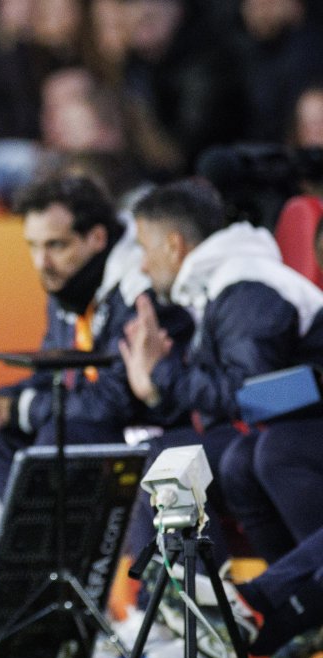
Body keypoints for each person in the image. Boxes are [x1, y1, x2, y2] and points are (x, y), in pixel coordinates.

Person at [0, 175, 191, 498]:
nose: (40, 263)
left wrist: (11, 408)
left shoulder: (139, 291)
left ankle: (74, 549)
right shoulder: (69, 284)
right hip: (105, 426)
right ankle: (37, 549)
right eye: (33, 246)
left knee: (58, 439)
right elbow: (52, 376)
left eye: (55, 245)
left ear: (97, 237)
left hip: (156, 431)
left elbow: (113, 402)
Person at [120, 179, 323, 563]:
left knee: (170, 460)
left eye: (145, 250)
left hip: (294, 431)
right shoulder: (215, 287)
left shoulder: (246, 286)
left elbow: (252, 395)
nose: (143, 266)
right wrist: (155, 388)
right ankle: (183, 603)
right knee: (159, 453)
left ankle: (198, 603)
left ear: (173, 245)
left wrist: (163, 376)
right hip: (270, 432)